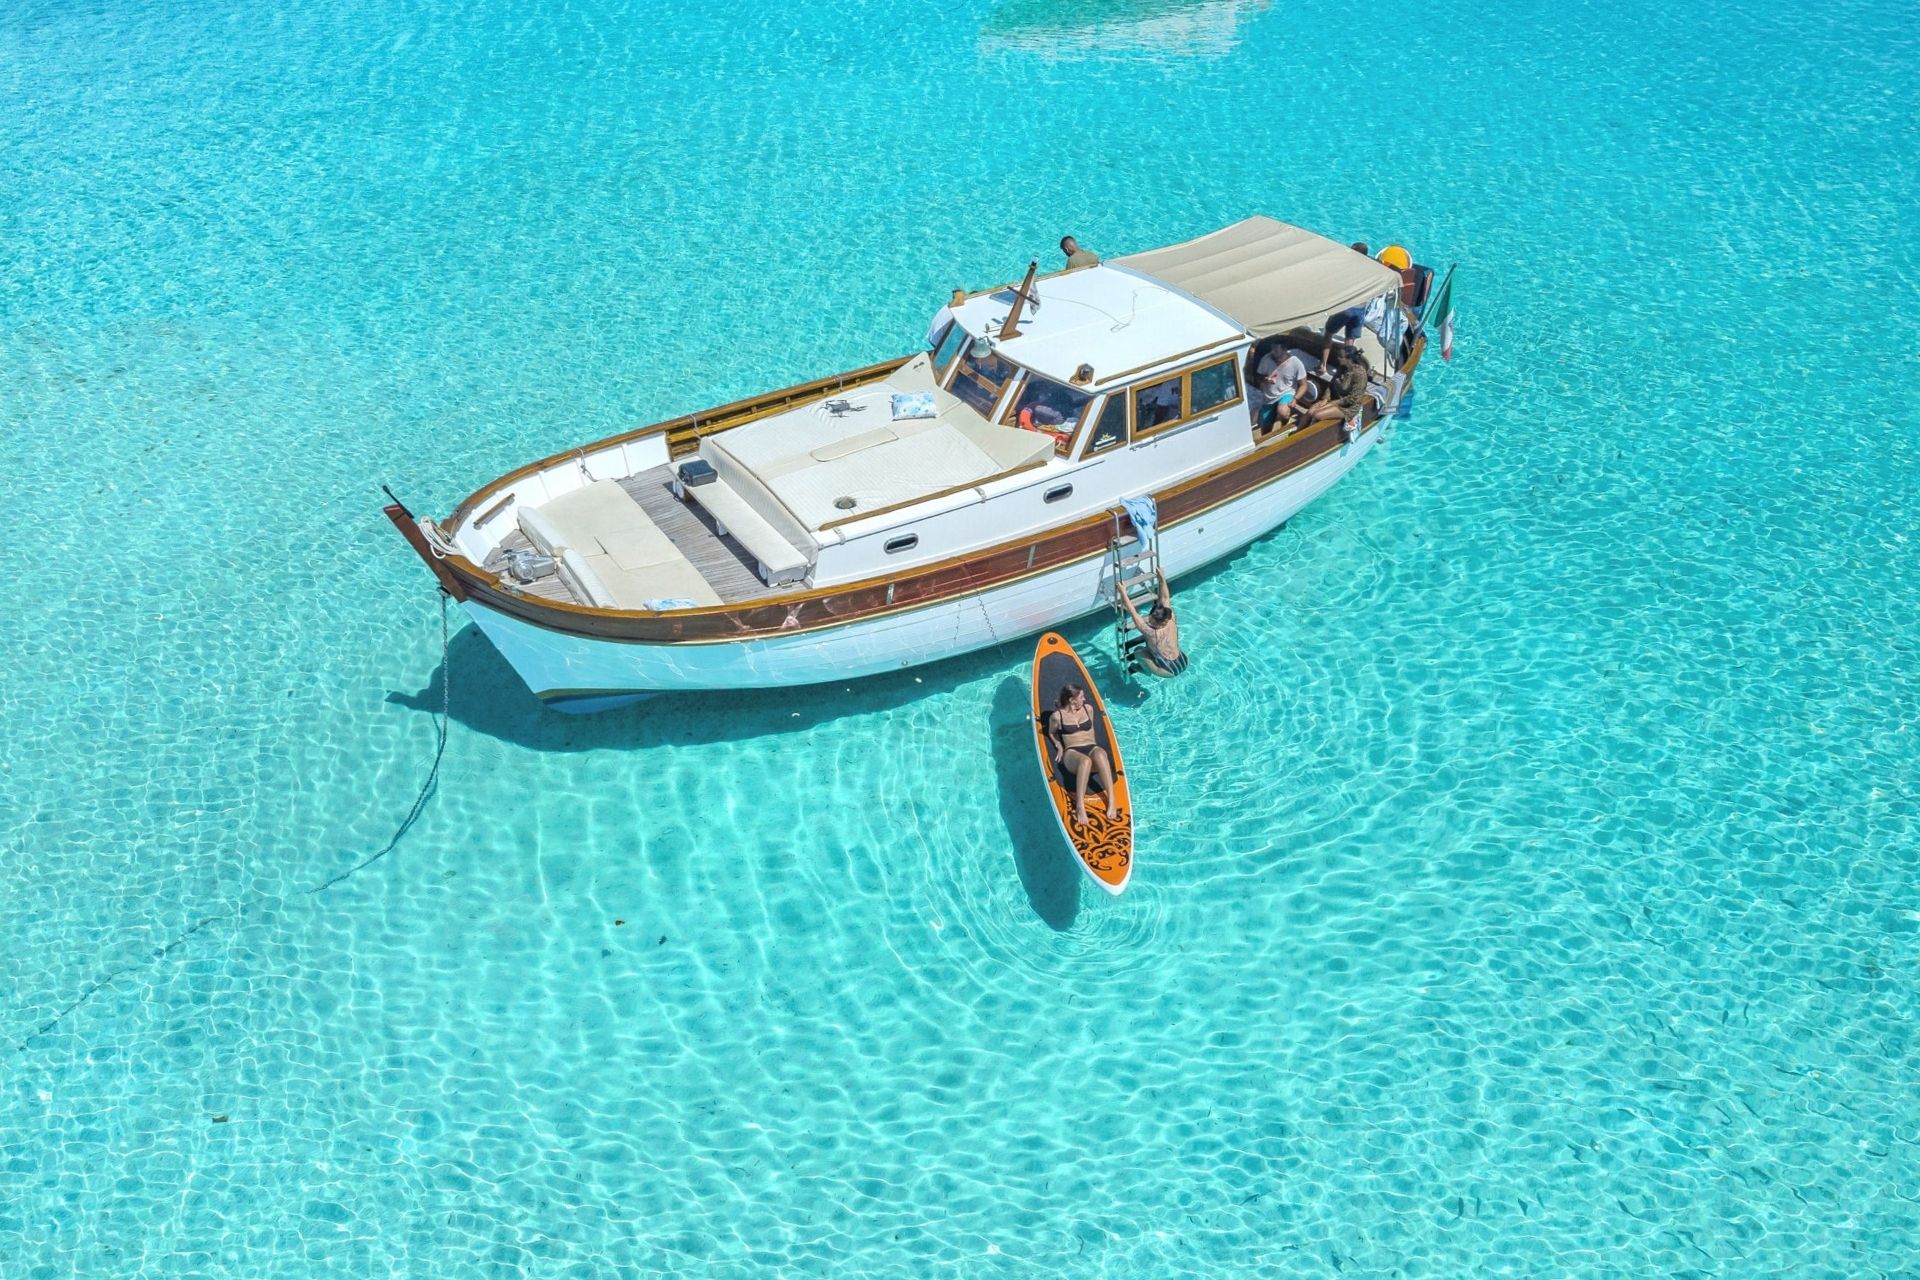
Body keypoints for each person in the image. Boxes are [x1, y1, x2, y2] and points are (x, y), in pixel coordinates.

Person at [1048, 684, 1119, 826]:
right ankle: (1080, 806)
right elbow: (1051, 733)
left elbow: (1091, 731)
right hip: (1072, 753)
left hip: (1092, 748)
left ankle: (1111, 800)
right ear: (1072, 700)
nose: (1085, 699)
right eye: (1081, 697)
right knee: (1085, 761)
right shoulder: (1057, 716)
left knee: (1099, 754)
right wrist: (1058, 745)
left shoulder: (1089, 709)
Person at [1118, 575, 1187, 678]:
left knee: (1138, 651)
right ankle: (1150, 662)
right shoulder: (1171, 618)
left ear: (1151, 618)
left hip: (1168, 671)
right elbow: (1165, 597)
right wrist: (1162, 578)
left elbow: (1132, 611)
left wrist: (1123, 592)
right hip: (1183, 660)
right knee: (1152, 647)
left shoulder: (1150, 632)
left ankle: (1146, 671)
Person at [1297, 340, 1370, 433]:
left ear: (1349, 359)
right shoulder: (1342, 368)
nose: (1338, 358)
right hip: (1335, 400)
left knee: (1317, 414)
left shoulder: (1359, 374)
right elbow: (1331, 384)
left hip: (1348, 407)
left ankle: (1308, 435)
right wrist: (1325, 399)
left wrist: (1331, 404)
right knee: (1310, 411)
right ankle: (1296, 432)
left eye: (1341, 357)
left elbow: (1353, 398)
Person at [1248, 339, 1308, 433]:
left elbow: (1304, 385)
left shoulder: (1296, 363)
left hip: (1286, 392)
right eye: (1272, 349)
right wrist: (1266, 379)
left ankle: (1285, 425)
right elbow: (1258, 376)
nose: (1273, 352)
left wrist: (1295, 398)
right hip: (1268, 396)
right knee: (1264, 426)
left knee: (1282, 411)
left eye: (1276, 350)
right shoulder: (1266, 359)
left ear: (1284, 350)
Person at [1317, 305, 1367, 373]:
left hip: (1346, 307)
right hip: (1360, 309)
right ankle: (1346, 370)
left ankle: (1323, 366)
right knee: (1350, 339)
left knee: (1329, 333)